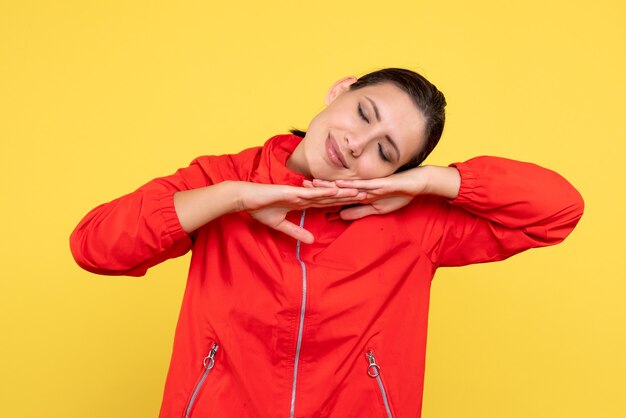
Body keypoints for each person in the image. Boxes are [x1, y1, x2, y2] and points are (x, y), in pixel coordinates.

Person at [69, 68, 584, 418]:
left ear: (398, 171)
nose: (356, 144)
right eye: (364, 113)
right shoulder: (222, 181)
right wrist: (232, 198)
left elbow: (558, 209)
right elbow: (94, 245)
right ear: (340, 89)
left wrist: (435, 181)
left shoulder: (418, 224)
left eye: (386, 151)